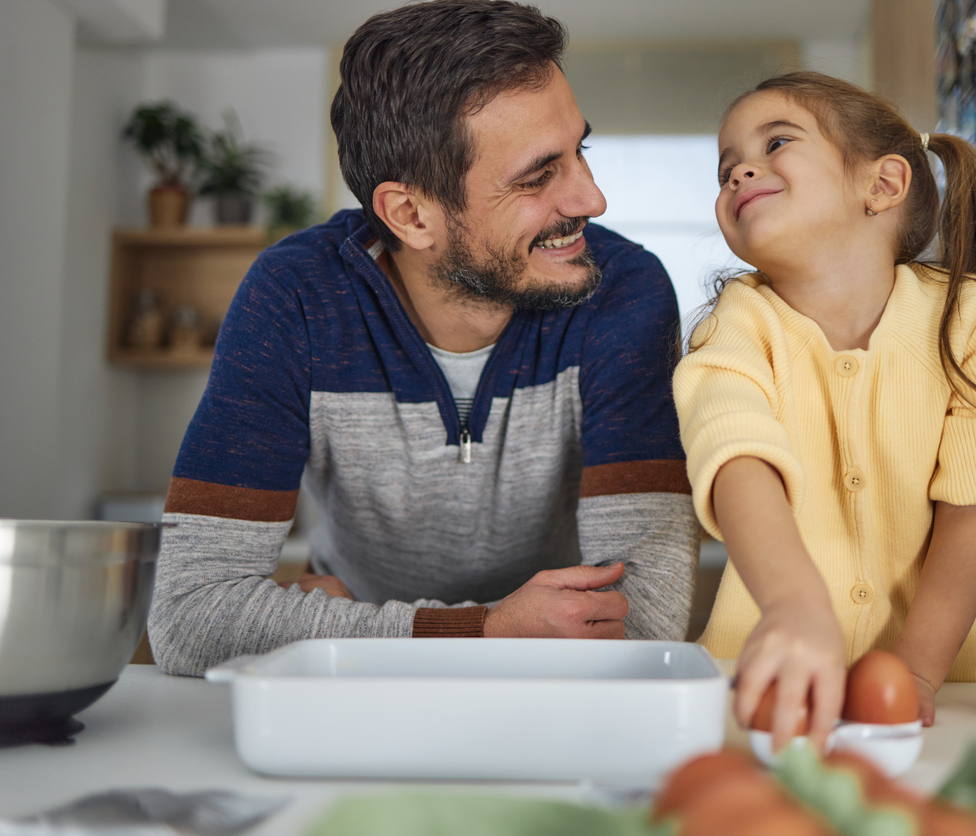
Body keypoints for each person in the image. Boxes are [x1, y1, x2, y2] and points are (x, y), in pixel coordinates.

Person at [147, 0, 699, 677]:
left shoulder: (623, 291)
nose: (591, 198)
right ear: (410, 215)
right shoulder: (293, 299)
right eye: (538, 176)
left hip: (525, 690)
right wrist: (482, 632)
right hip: (360, 694)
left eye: (579, 150)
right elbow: (189, 615)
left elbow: (643, 616)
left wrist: (334, 634)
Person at [673, 72, 976, 750]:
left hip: (949, 679)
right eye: (726, 167)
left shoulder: (970, 319)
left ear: (881, 185)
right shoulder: (734, 325)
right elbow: (735, 454)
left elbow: (973, 512)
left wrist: (918, 670)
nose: (739, 173)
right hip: (761, 677)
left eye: (776, 143)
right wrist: (794, 608)